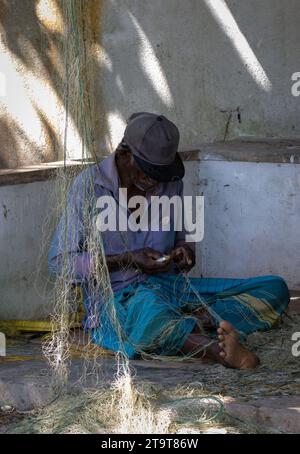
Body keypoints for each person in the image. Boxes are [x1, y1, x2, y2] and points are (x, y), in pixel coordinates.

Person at [48, 112, 290, 369]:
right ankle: (218, 352)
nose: (155, 180)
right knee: (150, 312)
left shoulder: (171, 184)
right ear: (123, 154)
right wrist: (126, 260)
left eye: (161, 173)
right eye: (148, 171)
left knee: (274, 289)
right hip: (119, 300)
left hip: (171, 288)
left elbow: (184, 241)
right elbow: (59, 263)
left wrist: (184, 252)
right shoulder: (88, 187)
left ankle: (187, 325)